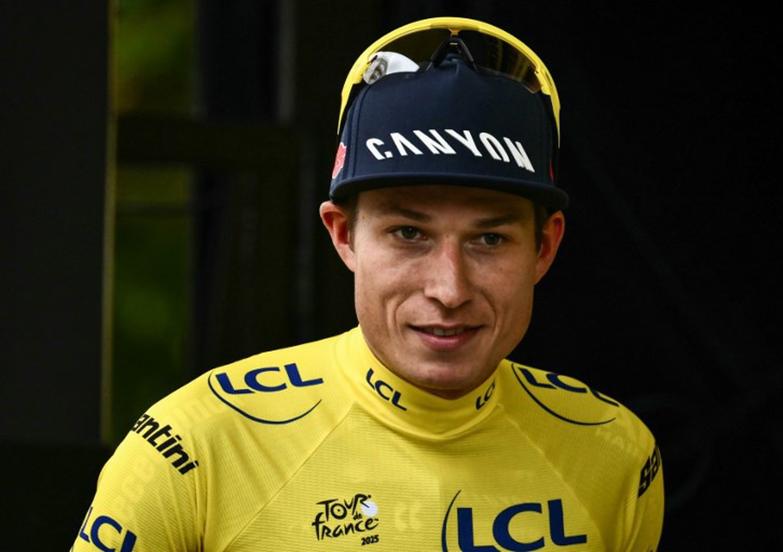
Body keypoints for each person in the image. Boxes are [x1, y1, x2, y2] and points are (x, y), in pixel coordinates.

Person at [72, 17, 663, 551]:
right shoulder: (194, 446)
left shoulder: (614, 454)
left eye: (489, 239)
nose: (449, 289)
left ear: (545, 246)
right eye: (409, 233)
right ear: (344, 235)